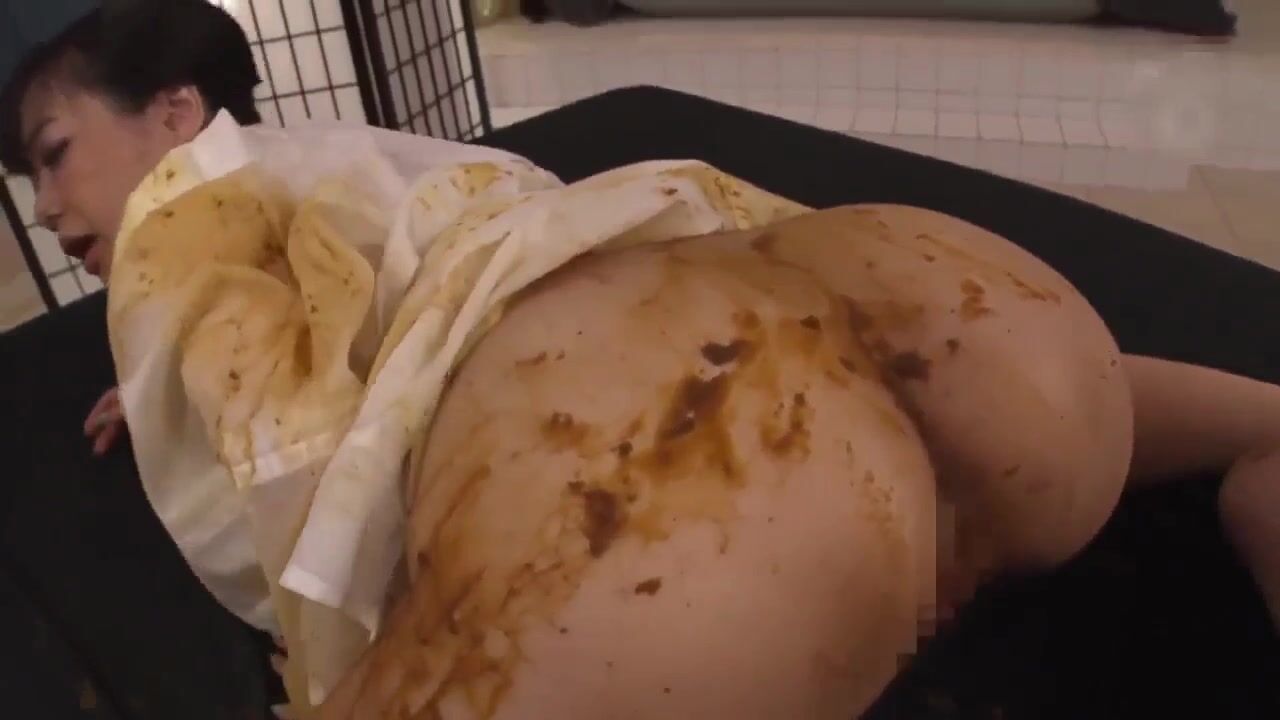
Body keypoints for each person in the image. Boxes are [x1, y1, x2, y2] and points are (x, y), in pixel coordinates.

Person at [3, 1, 1278, 717]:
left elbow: (278, 459)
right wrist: (162, 383)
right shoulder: (352, 156)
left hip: (665, 472)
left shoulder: (176, 212)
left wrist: (334, 653)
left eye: (53, 153)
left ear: (176, 110)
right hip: (922, 308)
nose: (50, 209)